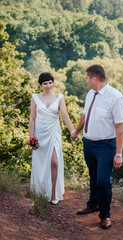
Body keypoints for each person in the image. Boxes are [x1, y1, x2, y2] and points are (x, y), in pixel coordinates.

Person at [71, 64, 123, 229]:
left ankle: (105, 215)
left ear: (94, 78)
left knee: (103, 182)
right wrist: (76, 131)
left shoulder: (115, 97)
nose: (86, 81)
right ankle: (93, 203)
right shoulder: (90, 94)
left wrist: (119, 154)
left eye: (87, 78)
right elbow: (84, 115)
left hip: (106, 146)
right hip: (88, 143)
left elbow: (120, 127)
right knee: (93, 177)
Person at [29, 72, 74, 204]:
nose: (48, 85)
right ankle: (40, 191)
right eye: (45, 83)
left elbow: (64, 115)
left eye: (50, 82)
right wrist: (31, 137)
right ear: (41, 85)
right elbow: (32, 118)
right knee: (41, 163)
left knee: (54, 161)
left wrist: (72, 131)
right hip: (40, 134)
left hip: (54, 132)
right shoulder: (35, 98)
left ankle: (54, 193)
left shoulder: (59, 97)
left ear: (53, 83)